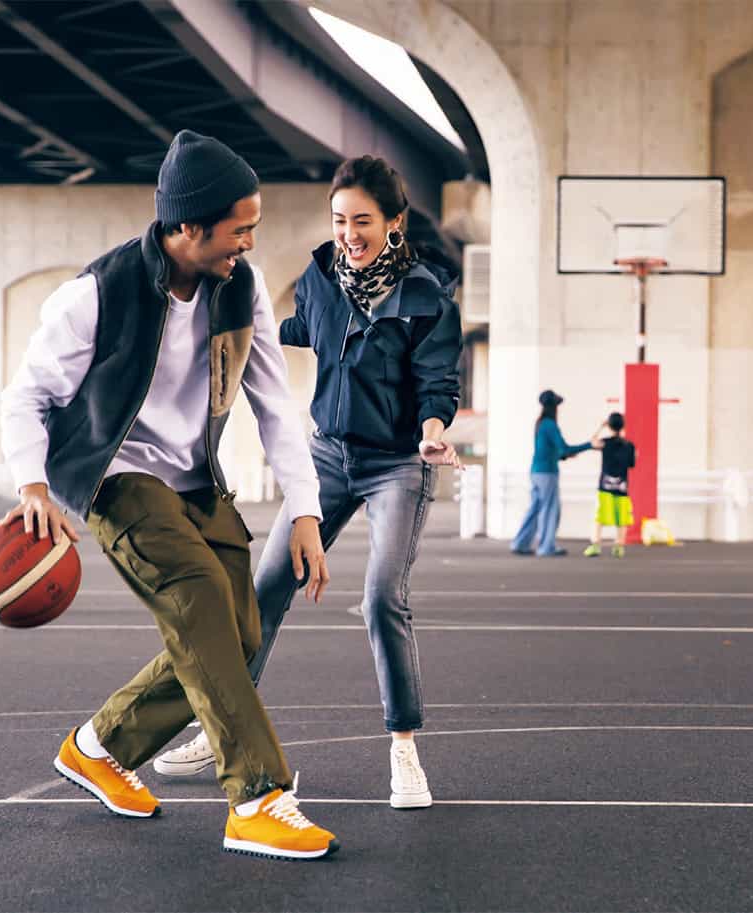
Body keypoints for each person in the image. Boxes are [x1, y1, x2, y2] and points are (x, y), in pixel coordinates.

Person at [0, 131, 339, 860]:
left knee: (238, 636)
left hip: (197, 478)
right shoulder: (96, 294)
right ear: (188, 226)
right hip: (116, 476)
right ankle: (258, 797)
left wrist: (305, 510)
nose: (249, 242)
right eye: (238, 229)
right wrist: (33, 484)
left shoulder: (242, 289)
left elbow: (277, 407)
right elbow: (26, 397)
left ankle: (101, 745)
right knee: (199, 600)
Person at [153, 154, 463, 810]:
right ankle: (222, 729)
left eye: (363, 221)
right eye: (340, 219)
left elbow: (438, 380)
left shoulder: (427, 296)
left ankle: (404, 747)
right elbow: (296, 330)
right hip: (327, 456)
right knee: (264, 588)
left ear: (395, 222)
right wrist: (216, 321)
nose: (349, 233)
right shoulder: (322, 277)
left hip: (398, 463)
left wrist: (434, 430)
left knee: (382, 597)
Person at [510, 390, 593, 557]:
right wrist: (590, 445)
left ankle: (520, 543)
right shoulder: (550, 425)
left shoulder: (540, 424)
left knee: (536, 508)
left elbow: (551, 450)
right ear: (554, 407)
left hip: (536, 472)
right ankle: (546, 547)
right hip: (547, 473)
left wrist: (563, 456)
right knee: (550, 509)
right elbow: (565, 448)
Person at [583, 412, 636, 558]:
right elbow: (632, 464)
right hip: (622, 488)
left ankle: (595, 545)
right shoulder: (629, 446)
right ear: (623, 426)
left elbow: (592, 442)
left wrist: (601, 427)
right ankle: (619, 547)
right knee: (621, 520)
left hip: (605, 488)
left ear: (609, 426)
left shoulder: (605, 442)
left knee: (599, 518)